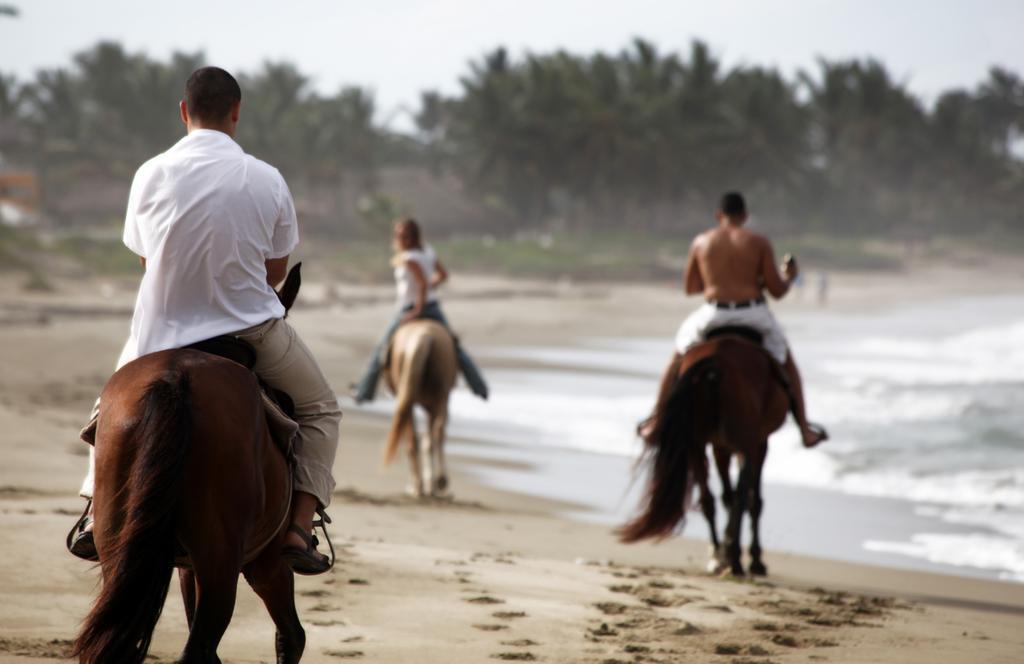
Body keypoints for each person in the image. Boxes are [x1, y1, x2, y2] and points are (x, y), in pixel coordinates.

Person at [67, 67, 342, 574]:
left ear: (182, 111)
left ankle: (92, 510)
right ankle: (301, 528)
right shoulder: (266, 177)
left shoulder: (150, 172)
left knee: (109, 408)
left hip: (158, 333)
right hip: (249, 329)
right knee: (322, 410)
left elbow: (148, 261)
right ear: (236, 113)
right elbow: (276, 271)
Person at [671, 192, 826, 447]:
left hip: (714, 313)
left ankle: (657, 417)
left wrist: (719, 279)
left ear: (719, 215)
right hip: (753, 314)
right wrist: (789, 276)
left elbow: (691, 287)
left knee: (679, 355)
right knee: (786, 360)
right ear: (744, 216)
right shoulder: (758, 242)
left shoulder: (701, 242)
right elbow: (777, 291)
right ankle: (805, 428)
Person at [352, 218, 488, 403]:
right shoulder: (428, 251)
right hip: (433, 308)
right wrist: (431, 286)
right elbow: (443, 275)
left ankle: (364, 392)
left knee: (381, 348)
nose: (400, 238)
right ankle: (479, 386)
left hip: (410, 308)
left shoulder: (409, 259)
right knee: (455, 346)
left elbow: (422, 284)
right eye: (398, 234)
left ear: (412, 236)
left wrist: (417, 309)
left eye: (403, 235)